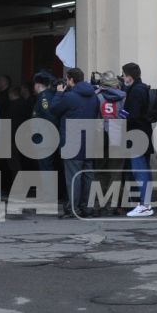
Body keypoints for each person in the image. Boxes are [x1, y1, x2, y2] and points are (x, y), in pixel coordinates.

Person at [51, 68, 103, 219]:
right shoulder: (94, 96)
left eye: (67, 79)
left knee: (73, 177)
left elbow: (54, 109)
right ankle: (88, 208)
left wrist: (59, 92)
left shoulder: (69, 96)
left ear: (71, 79)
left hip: (73, 141)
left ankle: (73, 209)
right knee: (88, 176)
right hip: (90, 140)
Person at [120, 62, 157, 217]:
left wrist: (122, 114)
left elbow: (133, 115)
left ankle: (145, 205)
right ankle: (144, 203)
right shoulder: (142, 88)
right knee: (143, 170)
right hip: (143, 133)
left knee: (139, 170)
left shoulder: (135, 91)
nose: (122, 78)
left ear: (129, 76)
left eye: (123, 75)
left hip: (137, 136)